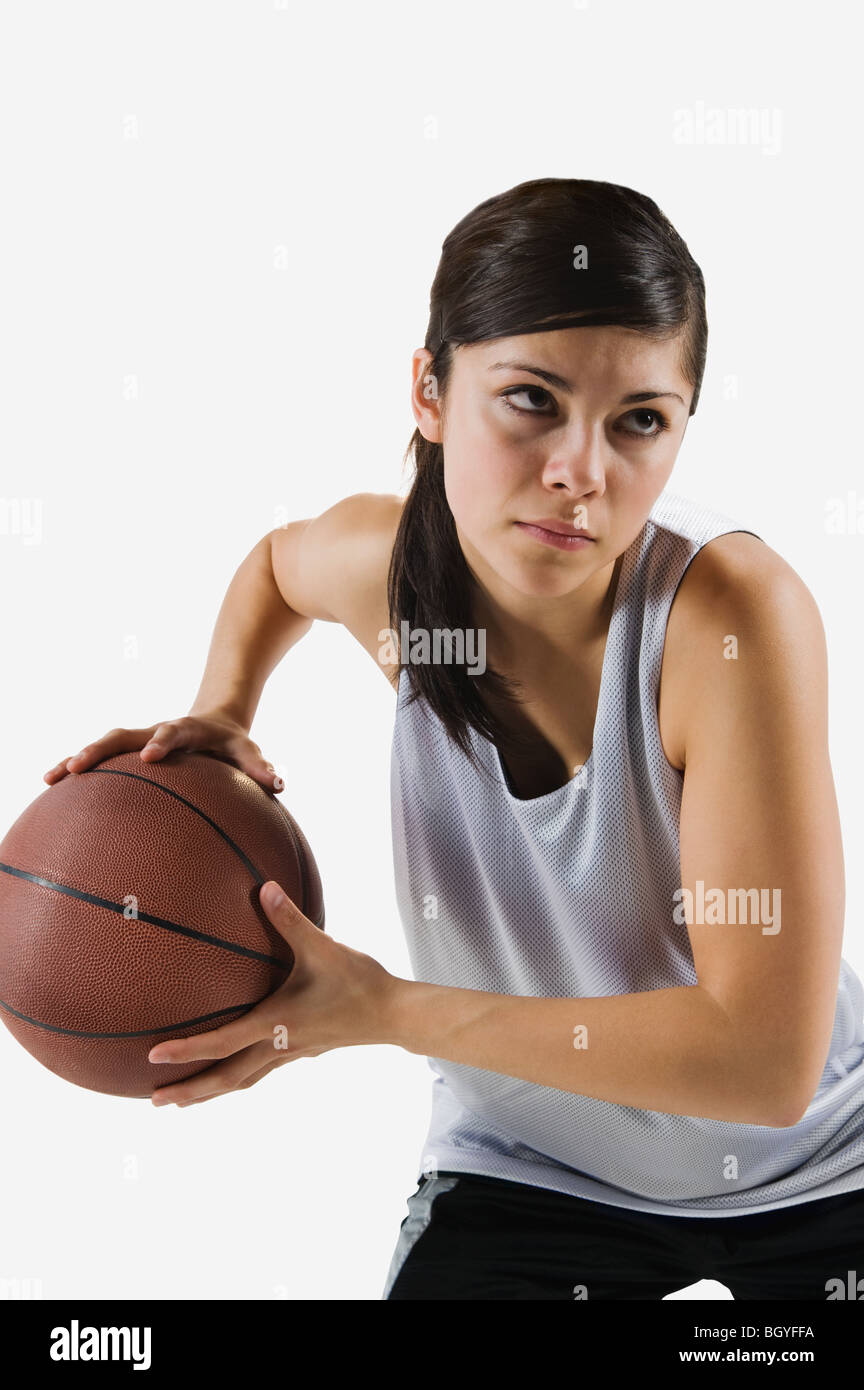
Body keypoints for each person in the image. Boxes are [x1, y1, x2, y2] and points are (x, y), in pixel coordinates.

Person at [45, 178, 864, 1300]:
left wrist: (384, 1011)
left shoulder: (729, 624)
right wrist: (226, 706)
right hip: (538, 1169)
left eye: (640, 421)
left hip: (819, 1172)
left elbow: (764, 1064)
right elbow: (281, 564)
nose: (581, 472)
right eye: (530, 399)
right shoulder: (397, 586)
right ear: (429, 390)